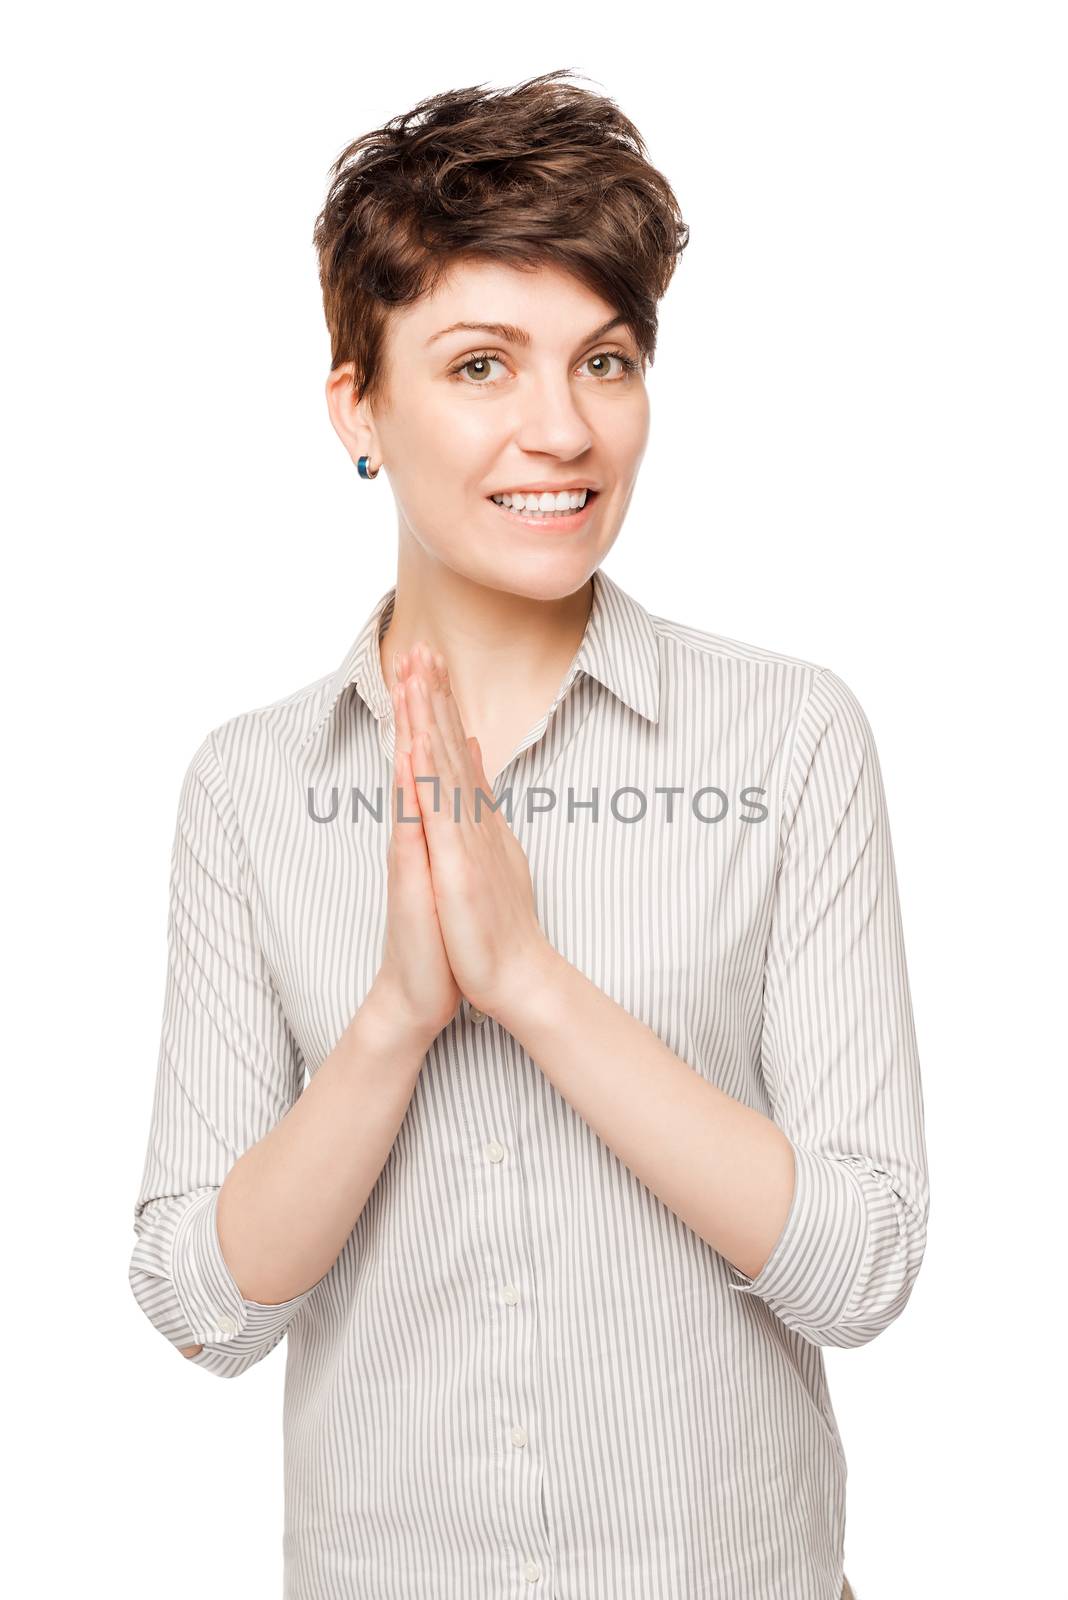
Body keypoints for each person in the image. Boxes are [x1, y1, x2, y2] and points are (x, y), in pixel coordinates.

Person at [128, 69, 925, 1600]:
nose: (562, 430)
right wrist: (394, 1020)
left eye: (605, 361)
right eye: (481, 364)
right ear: (357, 403)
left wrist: (536, 986)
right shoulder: (248, 787)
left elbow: (864, 1265)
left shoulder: (787, 741)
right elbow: (199, 1307)